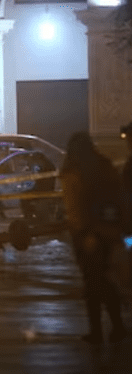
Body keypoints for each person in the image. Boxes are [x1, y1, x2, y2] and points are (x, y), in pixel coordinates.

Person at [60, 132, 127, 344]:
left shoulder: (73, 172)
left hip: (87, 235)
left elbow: (76, 208)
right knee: (101, 279)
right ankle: (113, 327)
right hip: (106, 232)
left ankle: (101, 331)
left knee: (93, 283)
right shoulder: (104, 165)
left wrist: (83, 233)